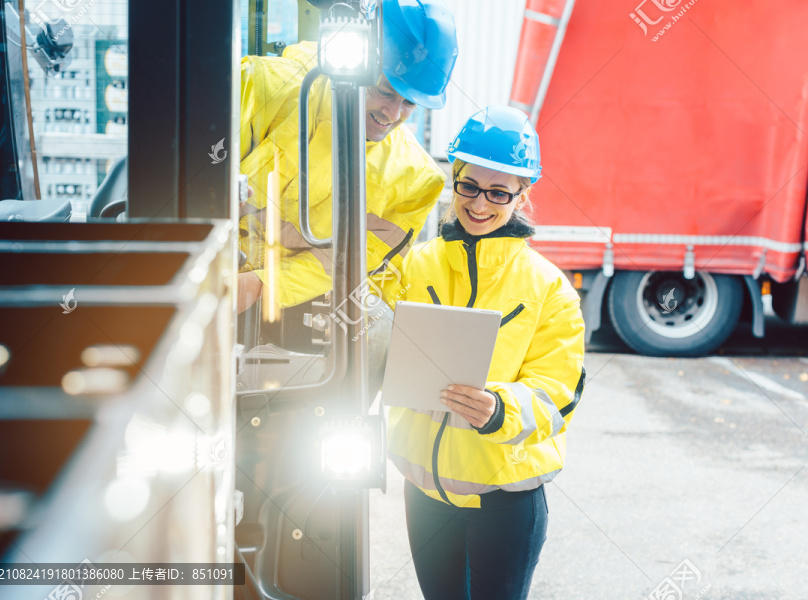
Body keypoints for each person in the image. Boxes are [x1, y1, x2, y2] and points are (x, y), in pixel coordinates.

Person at [380, 106, 586, 600]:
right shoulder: (416, 266)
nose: (479, 203)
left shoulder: (549, 288)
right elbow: (372, 336)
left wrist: (500, 409)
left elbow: (558, 394)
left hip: (505, 502)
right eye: (469, 186)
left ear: (521, 196)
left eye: (499, 193)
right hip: (425, 494)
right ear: (454, 180)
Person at [236, 0, 459, 312]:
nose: (392, 114)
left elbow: (348, 261)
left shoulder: (415, 181)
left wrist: (262, 284)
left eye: (409, 102)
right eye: (384, 91)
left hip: (286, 309)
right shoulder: (265, 88)